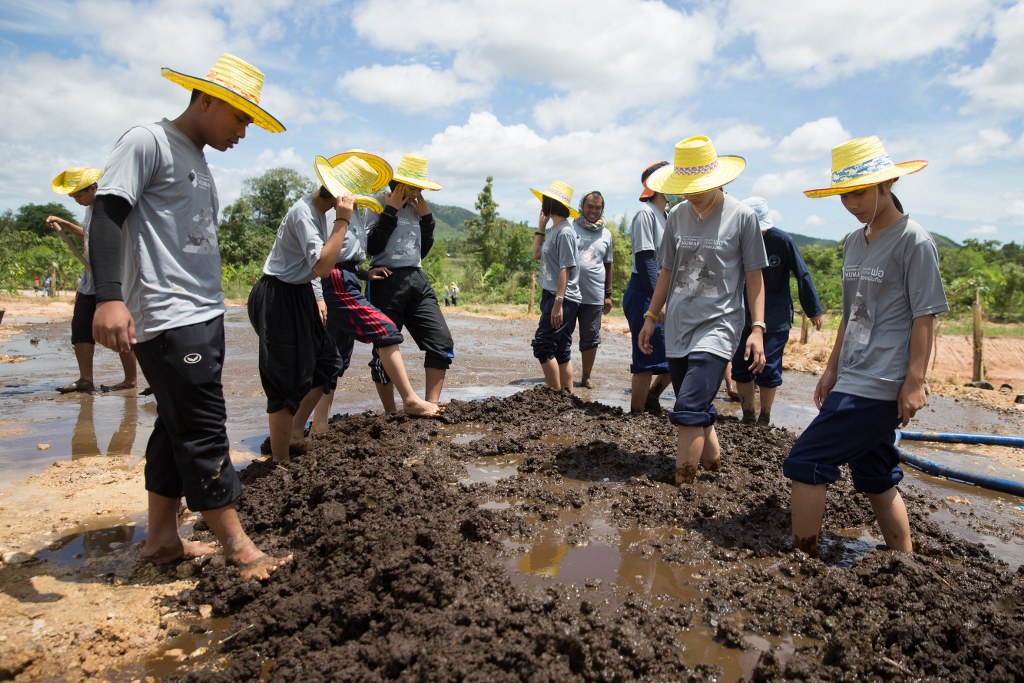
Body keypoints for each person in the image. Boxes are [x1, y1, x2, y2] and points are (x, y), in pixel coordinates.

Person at [89, 53, 291, 580]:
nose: (243, 132)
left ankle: (162, 540)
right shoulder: (148, 142)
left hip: (201, 311)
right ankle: (239, 549)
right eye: (239, 118)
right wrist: (109, 297)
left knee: (174, 423)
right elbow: (107, 214)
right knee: (203, 426)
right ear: (204, 100)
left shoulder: (196, 157)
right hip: (167, 313)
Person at [783, 136, 948, 557]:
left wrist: (915, 382)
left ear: (887, 184)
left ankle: (802, 560)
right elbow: (852, 312)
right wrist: (831, 368)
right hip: (853, 372)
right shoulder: (855, 241)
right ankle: (904, 560)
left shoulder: (914, 240)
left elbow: (924, 316)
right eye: (844, 195)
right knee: (874, 471)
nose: (851, 203)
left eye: (859, 193)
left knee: (806, 460)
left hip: (882, 379)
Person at [639, 136, 768, 486]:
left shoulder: (742, 217)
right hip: (679, 324)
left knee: (688, 408)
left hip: (719, 323)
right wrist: (650, 316)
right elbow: (667, 270)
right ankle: (714, 465)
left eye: (699, 186)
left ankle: (682, 486)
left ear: (717, 179)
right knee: (695, 404)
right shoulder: (677, 216)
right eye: (686, 187)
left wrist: (757, 328)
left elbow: (754, 277)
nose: (692, 193)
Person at [309, 151, 442, 432]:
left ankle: (317, 425)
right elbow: (327, 258)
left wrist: (363, 273)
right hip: (340, 280)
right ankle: (406, 402)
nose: (416, 193)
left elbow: (355, 255)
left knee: (334, 356)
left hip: (353, 277)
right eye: (412, 187)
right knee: (384, 333)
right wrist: (319, 295)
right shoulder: (343, 212)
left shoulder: (355, 212)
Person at [248, 155, 361, 463]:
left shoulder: (319, 213)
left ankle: (294, 432)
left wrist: (318, 297)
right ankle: (280, 461)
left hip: (301, 292)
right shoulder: (305, 213)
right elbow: (322, 265)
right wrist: (342, 221)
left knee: (328, 364)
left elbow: (310, 267)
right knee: (283, 378)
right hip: (278, 296)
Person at [365, 154, 454, 412]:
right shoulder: (377, 203)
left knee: (441, 342)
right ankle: (391, 413)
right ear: (400, 184)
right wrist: (391, 210)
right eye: (414, 188)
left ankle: (430, 406)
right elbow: (371, 246)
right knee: (384, 347)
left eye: (420, 189)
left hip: (416, 278)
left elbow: (419, 251)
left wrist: (427, 219)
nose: (417, 193)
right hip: (386, 280)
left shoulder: (417, 208)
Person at [731, 196, 824, 424]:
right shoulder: (735, 240)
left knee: (768, 367)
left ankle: (764, 417)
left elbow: (802, 274)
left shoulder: (782, 241)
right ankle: (748, 415)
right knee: (741, 365)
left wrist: (813, 308)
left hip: (775, 316)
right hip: (741, 315)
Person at [47, 167, 138, 394]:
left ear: (94, 189)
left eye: (79, 195)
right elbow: (88, 236)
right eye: (73, 197)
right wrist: (65, 224)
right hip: (89, 281)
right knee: (80, 329)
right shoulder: (90, 210)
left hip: (113, 280)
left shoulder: (111, 210)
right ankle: (85, 379)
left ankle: (130, 380)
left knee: (119, 330)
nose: (77, 200)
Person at [624, 161, 674, 414]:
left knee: (675, 355)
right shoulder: (646, 214)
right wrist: (658, 301)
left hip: (660, 291)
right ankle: (636, 412)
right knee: (646, 353)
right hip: (645, 290)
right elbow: (645, 260)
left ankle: (652, 397)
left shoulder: (667, 217)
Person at [530, 180, 582, 392]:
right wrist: (541, 227)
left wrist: (558, 303)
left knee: (543, 345)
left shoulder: (565, 232)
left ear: (551, 204)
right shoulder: (555, 230)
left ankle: (555, 396)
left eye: (544, 200)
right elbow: (536, 254)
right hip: (553, 295)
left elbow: (565, 269)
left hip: (562, 298)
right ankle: (567, 397)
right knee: (560, 349)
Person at [572, 190, 614, 388]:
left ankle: (586, 376)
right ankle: (562, 375)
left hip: (594, 295)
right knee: (562, 335)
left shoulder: (606, 234)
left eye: (598, 208)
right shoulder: (570, 227)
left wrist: (608, 295)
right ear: (581, 206)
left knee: (590, 337)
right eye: (589, 206)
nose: (593, 211)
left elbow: (608, 264)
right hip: (570, 293)